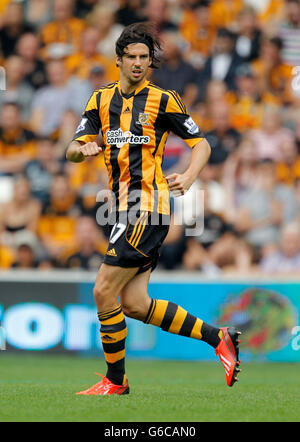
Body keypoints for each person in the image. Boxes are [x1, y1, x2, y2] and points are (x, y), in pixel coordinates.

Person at [66, 22, 241, 395]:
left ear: (150, 63)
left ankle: (116, 382)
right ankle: (218, 337)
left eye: (145, 58)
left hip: (149, 204)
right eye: (132, 57)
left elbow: (202, 144)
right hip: (121, 207)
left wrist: (190, 176)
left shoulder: (163, 100)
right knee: (133, 303)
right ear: (118, 59)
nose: (138, 63)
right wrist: (81, 151)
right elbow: (72, 148)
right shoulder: (100, 100)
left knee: (102, 292)